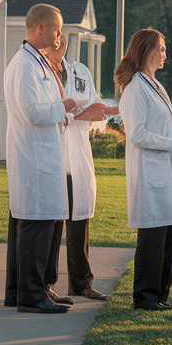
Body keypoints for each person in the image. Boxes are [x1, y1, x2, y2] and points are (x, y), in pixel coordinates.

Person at [3, 4, 103, 314]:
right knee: (36, 224)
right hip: (35, 158)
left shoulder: (39, 63)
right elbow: (33, 112)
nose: (60, 37)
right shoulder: (25, 66)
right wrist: (65, 106)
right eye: (57, 30)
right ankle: (32, 296)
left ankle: (38, 288)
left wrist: (62, 107)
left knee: (45, 222)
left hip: (45, 156)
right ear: (41, 28)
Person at [117, 28, 172, 311]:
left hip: (166, 169)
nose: (165, 54)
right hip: (150, 171)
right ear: (147, 51)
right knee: (154, 234)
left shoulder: (155, 84)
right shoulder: (134, 88)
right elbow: (138, 135)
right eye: (162, 49)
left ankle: (159, 294)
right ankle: (144, 297)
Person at [41, 39, 117, 302]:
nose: (58, 44)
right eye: (53, 40)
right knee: (53, 224)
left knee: (79, 222)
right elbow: (51, 113)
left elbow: (94, 106)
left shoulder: (80, 71)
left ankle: (81, 282)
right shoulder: (40, 73)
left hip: (79, 156)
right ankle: (46, 283)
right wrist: (78, 115)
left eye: (62, 40)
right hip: (54, 155)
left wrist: (100, 112)